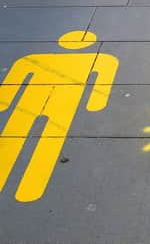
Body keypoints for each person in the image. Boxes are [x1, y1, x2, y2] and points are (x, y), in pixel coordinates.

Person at [0, 30, 118, 202]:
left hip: (29, 102)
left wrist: (5, 101)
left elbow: (12, 82)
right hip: (66, 103)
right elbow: (102, 83)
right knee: (51, 140)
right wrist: (93, 104)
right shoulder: (102, 59)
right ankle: (31, 186)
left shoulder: (33, 59)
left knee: (12, 136)